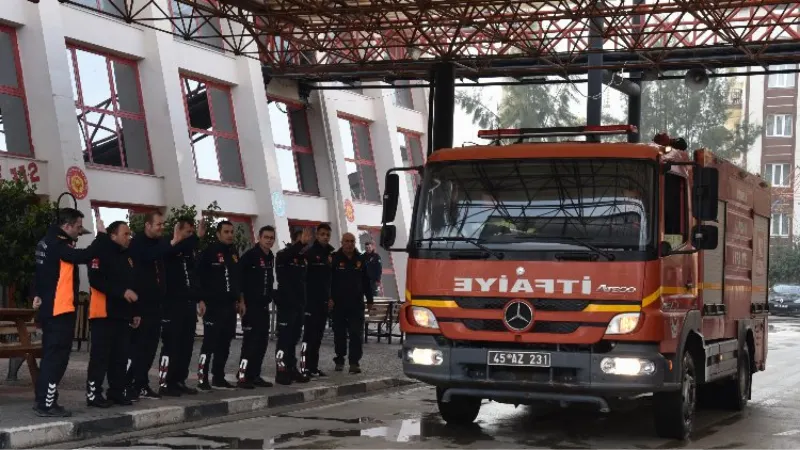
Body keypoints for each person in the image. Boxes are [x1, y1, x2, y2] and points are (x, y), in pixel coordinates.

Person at [32, 208, 106, 417]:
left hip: (51, 309)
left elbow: (38, 274)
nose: (79, 231)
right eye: (78, 227)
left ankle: (43, 401)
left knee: (50, 357)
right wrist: (100, 236)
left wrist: (36, 293)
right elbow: (84, 256)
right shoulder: (58, 245)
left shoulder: (45, 242)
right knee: (56, 359)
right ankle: (46, 404)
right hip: (60, 309)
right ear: (66, 226)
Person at [126, 212, 191, 401]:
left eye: (163, 224)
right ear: (147, 225)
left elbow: (171, 253)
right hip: (141, 303)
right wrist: (172, 242)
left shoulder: (160, 242)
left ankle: (142, 383)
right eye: (158, 225)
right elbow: (148, 257)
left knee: (151, 346)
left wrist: (185, 239)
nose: (161, 228)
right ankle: (129, 384)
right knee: (138, 346)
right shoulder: (138, 243)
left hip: (157, 303)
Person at [86, 221, 139, 408]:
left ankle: (116, 392)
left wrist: (135, 312)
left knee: (120, 356)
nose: (129, 237)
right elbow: (95, 280)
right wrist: (121, 292)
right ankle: (93, 394)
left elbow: (133, 285)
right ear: (113, 236)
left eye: (130, 234)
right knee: (100, 357)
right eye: (125, 234)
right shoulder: (101, 252)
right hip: (103, 313)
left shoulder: (128, 257)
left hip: (123, 314)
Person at [159, 218, 206, 397]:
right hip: (172, 304)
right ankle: (165, 382)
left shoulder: (188, 252)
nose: (190, 236)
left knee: (186, 345)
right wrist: (195, 239)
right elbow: (172, 251)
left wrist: (200, 298)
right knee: (171, 344)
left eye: (192, 233)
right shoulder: (167, 246)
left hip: (188, 304)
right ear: (177, 230)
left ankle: (179, 380)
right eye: (187, 232)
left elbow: (194, 276)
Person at [196, 221, 244, 390]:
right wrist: (200, 299)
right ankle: (202, 379)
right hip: (212, 305)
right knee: (209, 343)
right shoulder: (209, 252)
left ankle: (219, 376)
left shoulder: (233, 253)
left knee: (225, 343)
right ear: (218, 234)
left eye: (231, 231)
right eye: (226, 232)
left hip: (229, 306)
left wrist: (239, 300)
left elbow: (237, 279)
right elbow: (198, 276)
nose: (230, 234)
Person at [236, 226, 277, 389]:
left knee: (261, 342)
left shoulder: (270, 256)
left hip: (263, 306)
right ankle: (243, 376)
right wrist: (241, 301)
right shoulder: (250, 256)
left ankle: (255, 375)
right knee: (249, 342)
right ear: (259, 238)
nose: (269, 240)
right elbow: (239, 279)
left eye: (271, 237)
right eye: (266, 237)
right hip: (250, 306)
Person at [330, 232, 374, 374]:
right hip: (339, 304)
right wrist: (329, 298)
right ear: (342, 242)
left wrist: (370, 300)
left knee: (356, 333)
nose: (349, 244)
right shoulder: (335, 258)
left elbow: (366, 281)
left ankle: (354, 362)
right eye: (347, 241)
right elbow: (328, 281)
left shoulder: (360, 259)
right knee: (339, 333)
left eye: (352, 241)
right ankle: (340, 359)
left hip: (356, 304)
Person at [274, 228, 312, 385]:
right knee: (284, 339)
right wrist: (299, 245)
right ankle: (281, 371)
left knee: (294, 339)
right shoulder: (283, 255)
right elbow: (286, 257)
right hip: (286, 304)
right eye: (301, 240)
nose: (304, 244)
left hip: (299, 304)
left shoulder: (304, 258)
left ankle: (292, 368)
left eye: (305, 241)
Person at [301, 223, 335, 378]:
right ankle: (304, 367)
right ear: (317, 235)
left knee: (318, 337)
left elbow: (330, 280)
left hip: (323, 302)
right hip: (310, 301)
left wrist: (330, 297)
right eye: (322, 234)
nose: (325, 237)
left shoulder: (329, 254)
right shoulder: (309, 253)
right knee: (308, 336)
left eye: (327, 235)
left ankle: (313, 367)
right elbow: (304, 278)